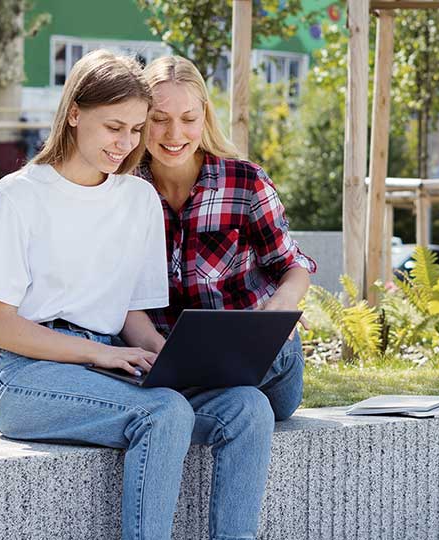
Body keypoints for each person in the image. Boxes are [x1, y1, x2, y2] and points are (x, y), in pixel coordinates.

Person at [0, 49, 275, 540]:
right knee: (165, 412)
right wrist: (103, 355)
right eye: (114, 127)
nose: (125, 143)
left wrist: (170, 356)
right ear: (73, 113)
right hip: (25, 372)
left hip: (111, 362)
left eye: (134, 129)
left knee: (247, 407)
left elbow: (132, 313)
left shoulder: (137, 198)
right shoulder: (17, 195)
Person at [140, 56, 317, 422]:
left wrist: (282, 303)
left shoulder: (244, 182)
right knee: (234, 399)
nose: (175, 135)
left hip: (258, 360)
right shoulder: (125, 190)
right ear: (141, 119)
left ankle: (202, 395)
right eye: (159, 120)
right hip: (162, 357)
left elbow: (293, 267)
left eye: (188, 119)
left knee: (246, 383)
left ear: (205, 116)